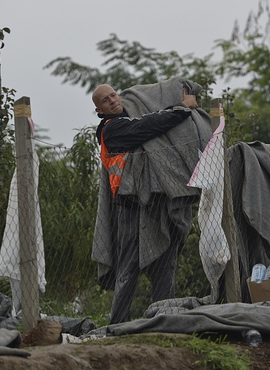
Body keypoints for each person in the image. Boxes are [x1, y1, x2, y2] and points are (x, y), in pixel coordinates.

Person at [92, 83, 200, 324]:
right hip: (130, 205)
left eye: (113, 95)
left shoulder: (127, 117)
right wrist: (181, 108)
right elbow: (147, 126)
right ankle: (118, 323)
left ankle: (164, 318)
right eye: (105, 100)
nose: (112, 100)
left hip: (157, 201)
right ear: (100, 110)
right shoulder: (111, 129)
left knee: (166, 262)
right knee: (129, 264)